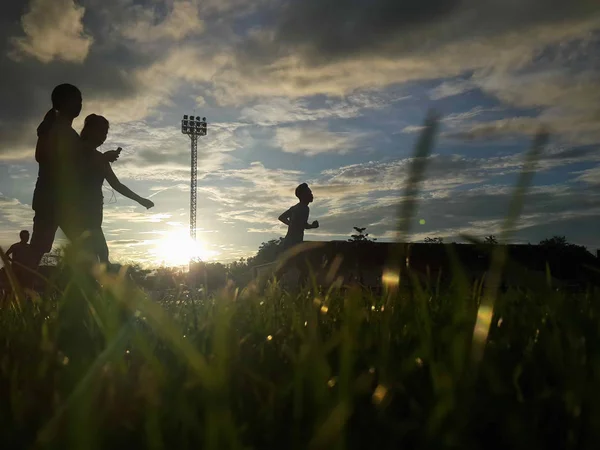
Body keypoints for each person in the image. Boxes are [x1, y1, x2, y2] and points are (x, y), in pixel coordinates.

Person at [30, 84, 120, 266]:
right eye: (76, 100)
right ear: (63, 102)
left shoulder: (67, 133)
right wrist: (99, 157)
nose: (80, 104)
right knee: (41, 247)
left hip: (65, 202)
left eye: (81, 100)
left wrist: (100, 159)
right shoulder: (53, 128)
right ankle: (15, 285)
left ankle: (83, 290)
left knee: (84, 249)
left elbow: (77, 166)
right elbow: (42, 156)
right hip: (50, 198)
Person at [78, 114, 154, 264]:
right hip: (77, 211)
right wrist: (103, 158)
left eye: (106, 133)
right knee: (92, 255)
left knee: (101, 254)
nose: (103, 136)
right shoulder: (76, 151)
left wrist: (140, 199)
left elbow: (117, 185)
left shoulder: (101, 158)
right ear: (89, 130)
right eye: (101, 131)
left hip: (94, 213)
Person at [278, 183, 319, 283]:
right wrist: (312, 226)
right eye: (309, 192)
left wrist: (291, 224)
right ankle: (300, 291)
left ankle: (268, 287)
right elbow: (303, 225)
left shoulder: (295, 207)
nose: (311, 194)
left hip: (289, 242)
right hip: (294, 243)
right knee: (305, 269)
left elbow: (281, 217)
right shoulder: (304, 208)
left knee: (288, 268)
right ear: (303, 195)